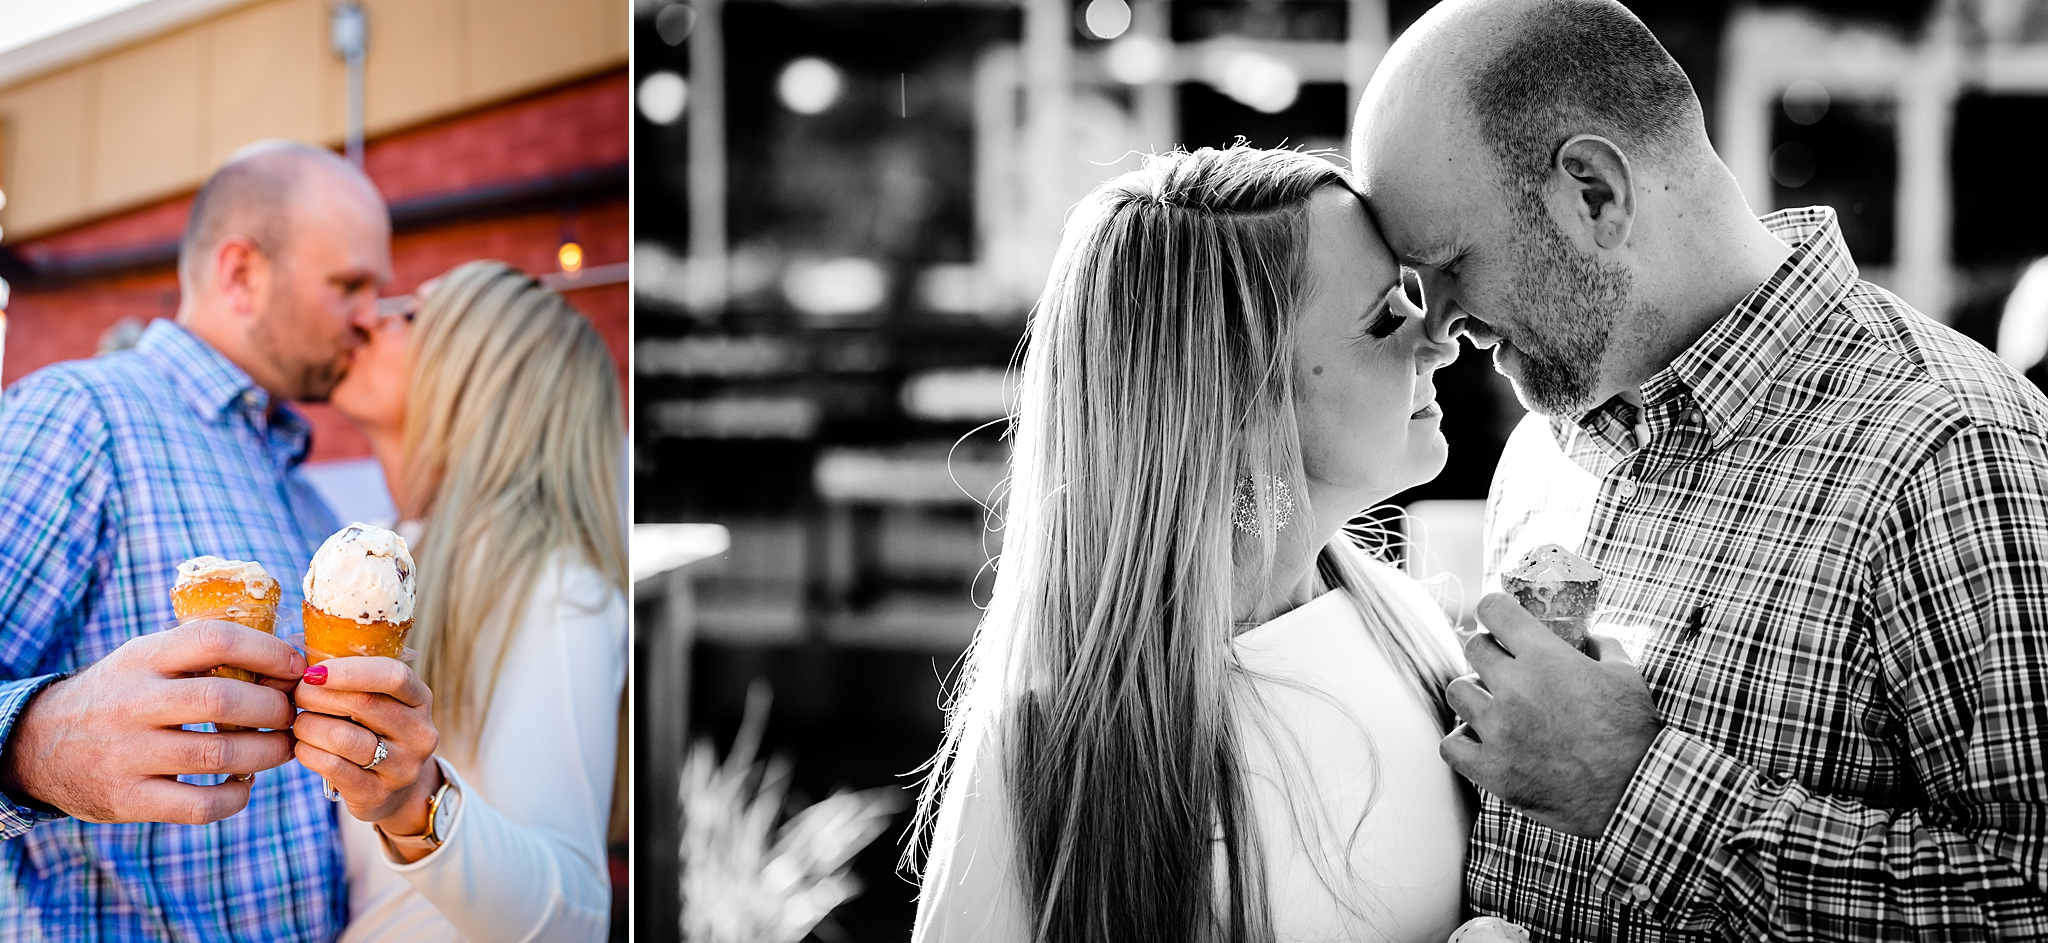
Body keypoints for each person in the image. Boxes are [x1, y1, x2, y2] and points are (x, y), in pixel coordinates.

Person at [1352, 0, 2048, 939]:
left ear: (1594, 192)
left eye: (1449, 265)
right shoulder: (1543, 452)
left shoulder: (1956, 454)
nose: (1438, 330)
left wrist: (1634, 787)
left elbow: (2031, 895)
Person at [911, 147, 1470, 942]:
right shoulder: (1046, 753)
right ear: (1236, 398)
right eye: (1385, 316)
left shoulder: (1415, 626)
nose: (1438, 340)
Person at [0, 140, 387, 939]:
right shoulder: (78, 415)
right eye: (349, 283)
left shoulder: (310, 502)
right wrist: (37, 748)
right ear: (241, 273)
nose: (370, 315)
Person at [303, 260, 627, 941]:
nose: (370, 318)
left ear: (484, 375)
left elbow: (576, 917)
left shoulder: (551, 583)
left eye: (412, 317)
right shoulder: (390, 555)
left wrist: (411, 802)